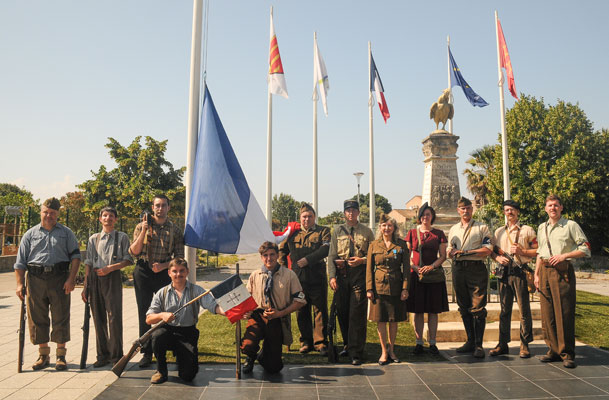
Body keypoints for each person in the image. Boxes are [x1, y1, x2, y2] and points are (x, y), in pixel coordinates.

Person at [14, 197, 81, 371]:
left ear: (57, 214)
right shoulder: (30, 234)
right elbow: (20, 262)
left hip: (59, 278)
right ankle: (43, 355)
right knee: (37, 317)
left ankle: (61, 355)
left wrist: (71, 279)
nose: (48, 215)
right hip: (35, 279)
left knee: (61, 316)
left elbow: (76, 257)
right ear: (40, 212)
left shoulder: (66, 233)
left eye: (52, 213)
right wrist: (20, 284)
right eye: (45, 212)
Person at [146, 258, 223, 383]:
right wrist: (162, 315)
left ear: (187, 272)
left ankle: (182, 356)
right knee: (157, 336)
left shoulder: (197, 291)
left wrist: (228, 312)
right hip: (168, 331)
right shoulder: (162, 292)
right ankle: (161, 371)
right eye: (174, 271)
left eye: (182, 271)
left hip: (188, 333)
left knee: (188, 376)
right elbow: (149, 319)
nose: (178, 274)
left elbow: (213, 306)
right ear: (169, 273)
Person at [535, 194, 590, 368]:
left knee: (564, 312)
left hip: (562, 271)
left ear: (561, 208)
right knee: (548, 313)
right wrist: (536, 274)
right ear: (545, 208)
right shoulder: (541, 227)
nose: (553, 208)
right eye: (550, 205)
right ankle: (553, 349)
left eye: (556, 205)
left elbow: (585, 248)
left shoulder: (570, 225)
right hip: (544, 270)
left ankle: (567, 353)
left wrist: (564, 255)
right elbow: (539, 252)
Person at [129, 194, 184, 368]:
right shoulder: (141, 226)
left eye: (163, 205)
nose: (160, 208)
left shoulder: (174, 230)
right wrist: (144, 230)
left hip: (163, 273)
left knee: (167, 310)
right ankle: (146, 352)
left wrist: (163, 266)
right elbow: (135, 252)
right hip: (143, 271)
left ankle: (166, 346)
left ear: (168, 207)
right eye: (157, 205)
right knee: (145, 311)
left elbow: (180, 257)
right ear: (153, 207)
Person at [241, 241, 306, 374]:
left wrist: (280, 313)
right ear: (261, 257)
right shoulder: (255, 275)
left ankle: (263, 354)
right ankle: (251, 356)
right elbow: (247, 299)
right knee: (247, 345)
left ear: (277, 255)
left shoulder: (289, 275)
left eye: (272, 255)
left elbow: (300, 300)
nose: (269, 258)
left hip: (277, 318)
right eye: (265, 255)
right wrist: (246, 312)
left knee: (273, 367)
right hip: (258, 315)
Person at [81, 206, 133, 367]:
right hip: (95, 279)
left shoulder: (122, 237)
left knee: (114, 316)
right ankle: (102, 355)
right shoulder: (93, 239)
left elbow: (128, 260)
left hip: (112, 277)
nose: (108, 218)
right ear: (100, 219)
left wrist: (110, 268)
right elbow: (88, 262)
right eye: (105, 215)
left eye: (111, 216)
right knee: (98, 317)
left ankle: (116, 356)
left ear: (115, 219)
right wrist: (86, 285)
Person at [327, 200, 375, 365]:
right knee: (343, 312)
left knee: (357, 313)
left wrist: (361, 261)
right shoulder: (337, 231)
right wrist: (332, 277)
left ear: (358, 213)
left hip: (359, 275)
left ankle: (356, 351)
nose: (351, 213)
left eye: (354, 210)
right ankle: (348, 345)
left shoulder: (367, 232)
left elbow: (373, 256)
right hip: (342, 274)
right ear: (344, 213)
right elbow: (332, 255)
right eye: (348, 211)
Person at [278, 203, 330, 355]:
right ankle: (306, 341)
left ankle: (320, 342)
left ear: (314, 217)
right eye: (304, 217)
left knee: (320, 310)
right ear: (300, 218)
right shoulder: (292, 233)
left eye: (310, 216)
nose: (307, 219)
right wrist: (283, 270)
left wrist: (308, 259)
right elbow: (282, 250)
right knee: (301, 310)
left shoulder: (323, 231)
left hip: (317, 277)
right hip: (298, 279)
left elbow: (326, 248)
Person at [489, 200, 537, 358]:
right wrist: (497, 258)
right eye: (506, 210)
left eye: (512, 210)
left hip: (520, 272)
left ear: (517, 211)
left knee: (524, 310)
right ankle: (502, 344)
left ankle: (525, 344)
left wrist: (523, 251)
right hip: (504, 273)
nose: (509, 213)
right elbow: (492, 250)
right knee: (504, 310)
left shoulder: (527, 230)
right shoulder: (498, 232)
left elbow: (538, 250)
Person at [446, 197, 492, 358]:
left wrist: (465, 253)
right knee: (463, 307)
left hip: (476, 269)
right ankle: (470, 341)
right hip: (459, 269)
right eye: (462, 208)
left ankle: (479, 345)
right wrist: (451, 252)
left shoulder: (482, 227)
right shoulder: (453, 229)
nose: (465, 211)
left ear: (472, 209)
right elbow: (449, 249)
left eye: (468, 208)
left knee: (478, 307)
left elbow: (487, 249)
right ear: (458, 211)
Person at [405, 202, 448, 355]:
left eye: (428, 215)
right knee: (418, 311)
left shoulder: (439, 234)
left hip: (433, 277)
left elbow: (443, 256)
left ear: (432, 217)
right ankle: (418, 342)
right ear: (419, 217)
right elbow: (407, 254)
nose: (425, 217)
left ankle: (433, 342)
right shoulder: (411, 233)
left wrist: (432, 267)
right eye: (423, 215)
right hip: (416, 276)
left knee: (433, 311)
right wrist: (415, 268)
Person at [366, 214, 409, 365]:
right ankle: (383, 351)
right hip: (378, 287)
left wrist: (405, 288)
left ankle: (392, 350)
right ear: (380, 227)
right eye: (384, 225)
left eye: (390, 225)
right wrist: (369, 288)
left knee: (393, 320)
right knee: (381, 320)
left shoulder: (401, 245)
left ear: (394, 228)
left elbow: (406, 269)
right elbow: (369, 268)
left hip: (396, 287)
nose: (387, 228)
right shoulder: (374, 245)